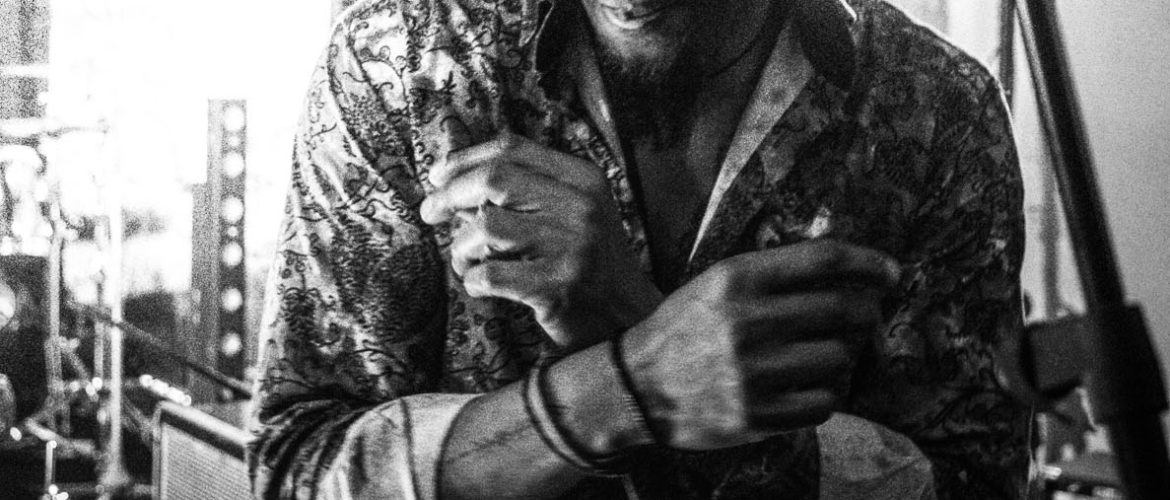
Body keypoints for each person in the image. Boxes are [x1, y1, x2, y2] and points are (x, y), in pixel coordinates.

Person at [247, 0, 1029, 498]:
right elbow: (298, 467)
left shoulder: (933, 106)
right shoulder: (402, 64)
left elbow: (970, 486)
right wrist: (629, 384)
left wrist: (638, 351)